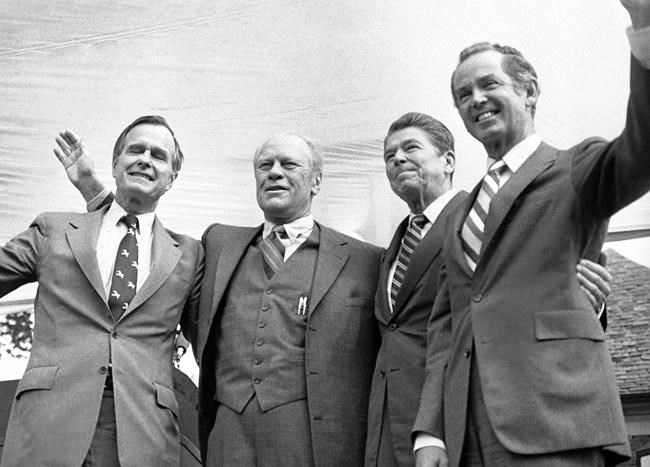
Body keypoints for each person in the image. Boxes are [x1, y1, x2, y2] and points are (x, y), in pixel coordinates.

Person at [413, 2, 650, 466]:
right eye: (463, 94)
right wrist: (431, 433)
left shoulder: (576, 168)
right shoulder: (459, 214)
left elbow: (642, 152)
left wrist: (645, 27)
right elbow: (446, 328)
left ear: (529, 91)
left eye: (489, 84)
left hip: (557, 423)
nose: (475, 99)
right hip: (468, 436)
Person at [58, 131, 382, 466]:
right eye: (265, 165)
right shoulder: (220, 244)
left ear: (316, 181)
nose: (274, 172)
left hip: (314, 445)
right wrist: (91, 189)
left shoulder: (364, 260)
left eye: (289, 165)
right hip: (229, 442)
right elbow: (146, 243)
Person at [366, 113, 612, 467]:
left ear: (449, 160)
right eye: (389, 155)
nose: (398, 159)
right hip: (393, 431)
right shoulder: (391, 246)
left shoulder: (486, 220)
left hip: (467, 421)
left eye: (410, 148)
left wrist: (587, 305)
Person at [0, 116, 203, 466]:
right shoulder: (54, 229)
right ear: (115, 164)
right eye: (135, 150)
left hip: (144, 433)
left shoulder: (190, 254)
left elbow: (213, 345)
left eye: (158, 155)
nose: (145, 159)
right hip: (50, 422)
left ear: (172, 178)